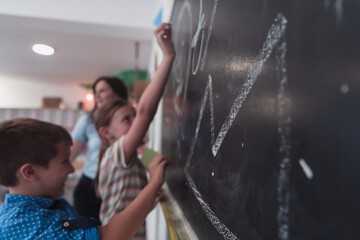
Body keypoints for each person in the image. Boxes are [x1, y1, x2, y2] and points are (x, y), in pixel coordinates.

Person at [0, 118, 169, 240]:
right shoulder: (26, 225)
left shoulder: (47, 203)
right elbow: (107, 237)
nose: (72, 168)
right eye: (65, 161)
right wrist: (153, 184)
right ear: (30, 172)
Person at [93, 22, 175, 239]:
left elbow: (156, 160)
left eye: (133, 116)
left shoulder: (130, 155)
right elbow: (146, 112)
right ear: (106, 132)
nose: (134, 122)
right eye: (127, 119)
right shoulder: (116, 154)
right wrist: (168, 56)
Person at [70, 76, 128, 221]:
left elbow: (143, 148)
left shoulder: (130, 118)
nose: (97, 95)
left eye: (102, 91)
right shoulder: (87, 120)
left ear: (116, 93)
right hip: (90, 187)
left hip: (121, 185)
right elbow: (68, 154)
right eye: (96, 92)